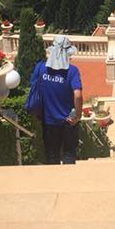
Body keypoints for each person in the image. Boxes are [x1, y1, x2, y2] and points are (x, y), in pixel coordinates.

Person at [29, 35, 83, 164]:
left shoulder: (41, 67)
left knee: (52, 155)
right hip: (68, 121)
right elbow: (78, 95)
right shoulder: (72, 71)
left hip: (48, 121)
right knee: (69, 154)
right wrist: (78, 114)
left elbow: (33, 87)